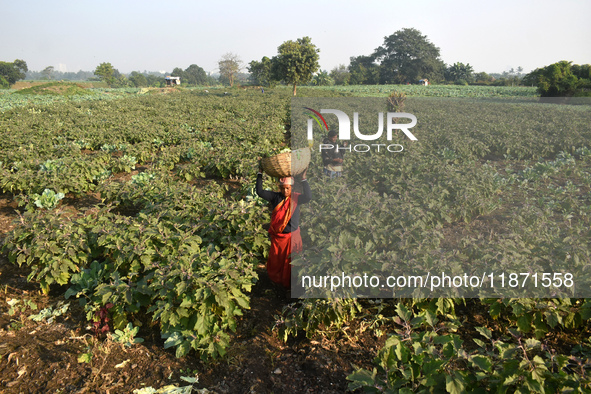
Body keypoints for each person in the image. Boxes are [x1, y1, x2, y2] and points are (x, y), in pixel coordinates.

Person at [256, 164, 311, 290]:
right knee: (277, 261)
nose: (285, 191)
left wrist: (304, 179)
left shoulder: (297, 198)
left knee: (292, 262)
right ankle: (277, 282)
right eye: (283, 188)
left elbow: (308, 196)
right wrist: (260, 173)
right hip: (279, 238)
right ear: (279, 188)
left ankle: (291, 286)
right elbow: (260, 192)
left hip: (293, 237)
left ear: (292, 188)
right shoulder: (276, 197)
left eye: (288, 188)